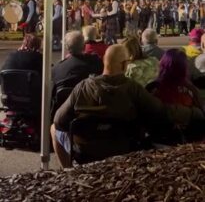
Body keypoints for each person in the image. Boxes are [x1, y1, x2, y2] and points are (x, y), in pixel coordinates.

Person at [51, 44, 205, 168]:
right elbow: (163, 112)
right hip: (123, 149)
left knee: (52, 128)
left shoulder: (82, 88)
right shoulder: (132, 89)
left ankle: (67, 171)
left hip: (84, 150)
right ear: (125, 65)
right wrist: (192, 113)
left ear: (105, 60)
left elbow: (59, 121)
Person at [51, 31, 103, 104]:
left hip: (65, 110)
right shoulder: (96, 63)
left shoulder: (57, 69)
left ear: (67, 48)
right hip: (91, 108)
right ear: (84, 46)